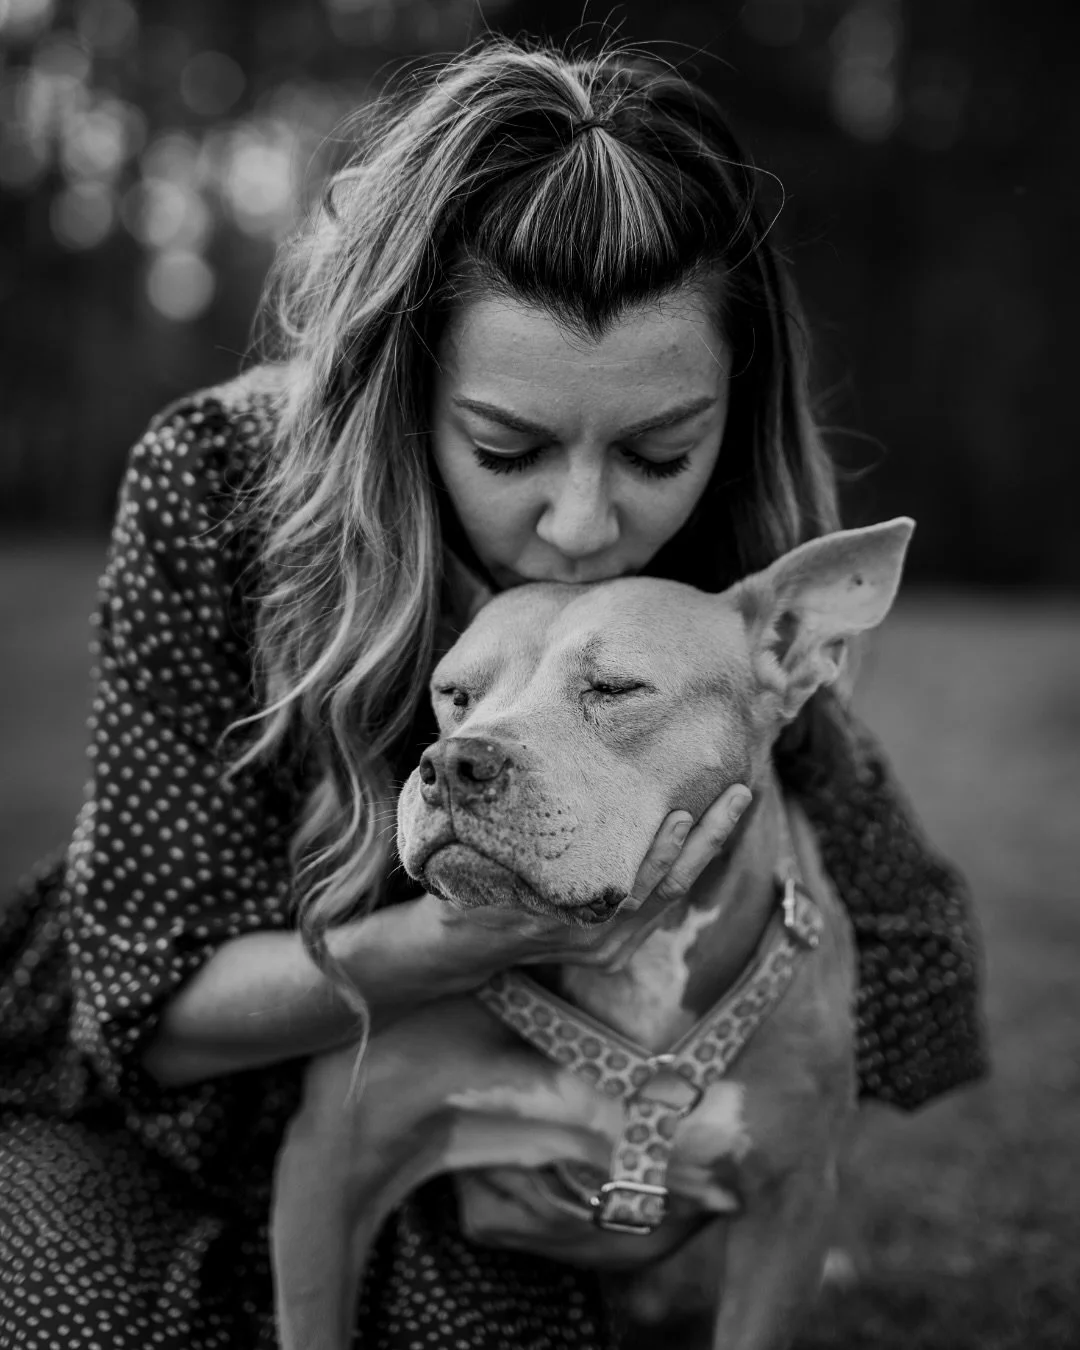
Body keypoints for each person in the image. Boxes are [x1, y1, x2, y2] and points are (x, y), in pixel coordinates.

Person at [0, 36, 987, 1350]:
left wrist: (674, 1117)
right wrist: (487, 941)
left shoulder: (708, 597)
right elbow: (134, 999)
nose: (585, 523)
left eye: (657, 448)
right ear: (407, 384)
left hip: (462, 1123)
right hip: (156, 1109)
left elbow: (910, 973)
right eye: (508, 445)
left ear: (727, 412)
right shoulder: (217, 482)